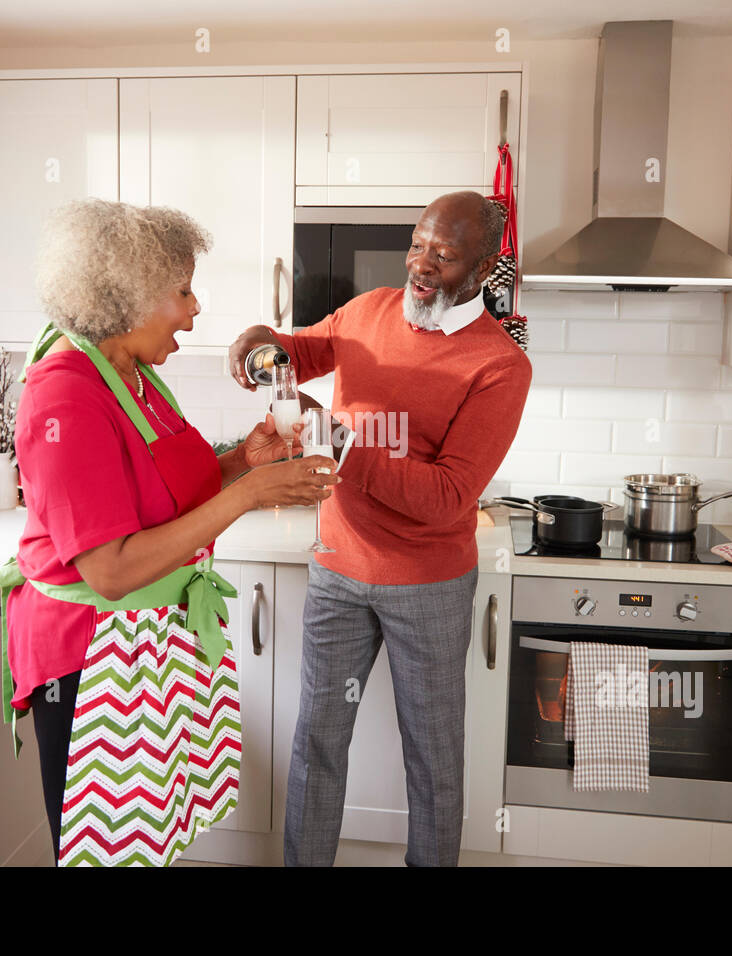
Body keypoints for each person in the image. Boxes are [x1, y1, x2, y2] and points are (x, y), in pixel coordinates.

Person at [0, 199, 338, 867]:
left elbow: (158, 497)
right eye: (181, 291)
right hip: (90, 661)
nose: (194, 309)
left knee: (145, 846)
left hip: (142, 648)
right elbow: (111, 568)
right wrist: (249, 494)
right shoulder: (65, 393)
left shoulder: (135, 375)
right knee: (106, 852)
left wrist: (244, 460)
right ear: (126, 297)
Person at [228, 190, 532, 866]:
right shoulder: (369, 311)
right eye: (418, 245)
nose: (421, 266)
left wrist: (335, 439)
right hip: (338, 565)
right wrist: (263, 345)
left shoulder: (500, 366)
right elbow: (298, 355)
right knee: (318, 741)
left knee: (432, 760)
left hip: (427, 585)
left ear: (483, 269)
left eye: (444, 256)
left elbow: (447, 497)